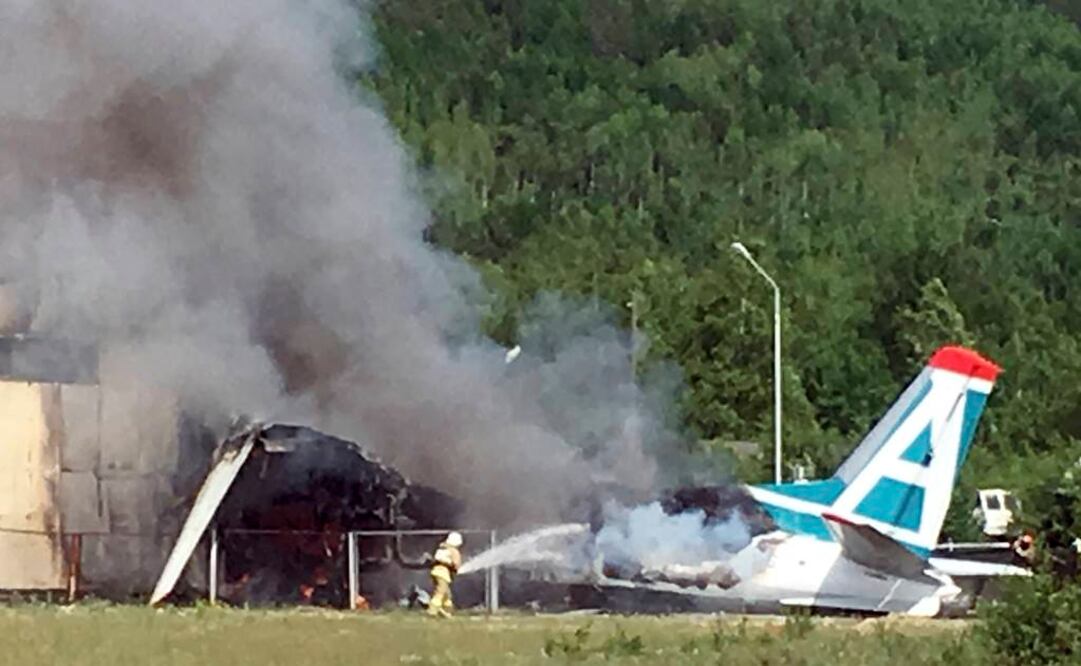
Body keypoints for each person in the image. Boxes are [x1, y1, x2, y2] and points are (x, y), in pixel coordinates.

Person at [427, 531, 463, 618]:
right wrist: (456, 568)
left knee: (447, 594)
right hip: (443, 574)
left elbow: (436, 559)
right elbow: (456, 564)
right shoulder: (454, 551)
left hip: (435, 572)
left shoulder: (441, 548)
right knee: (440, 592)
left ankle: (446, 612)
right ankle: (432, 611)